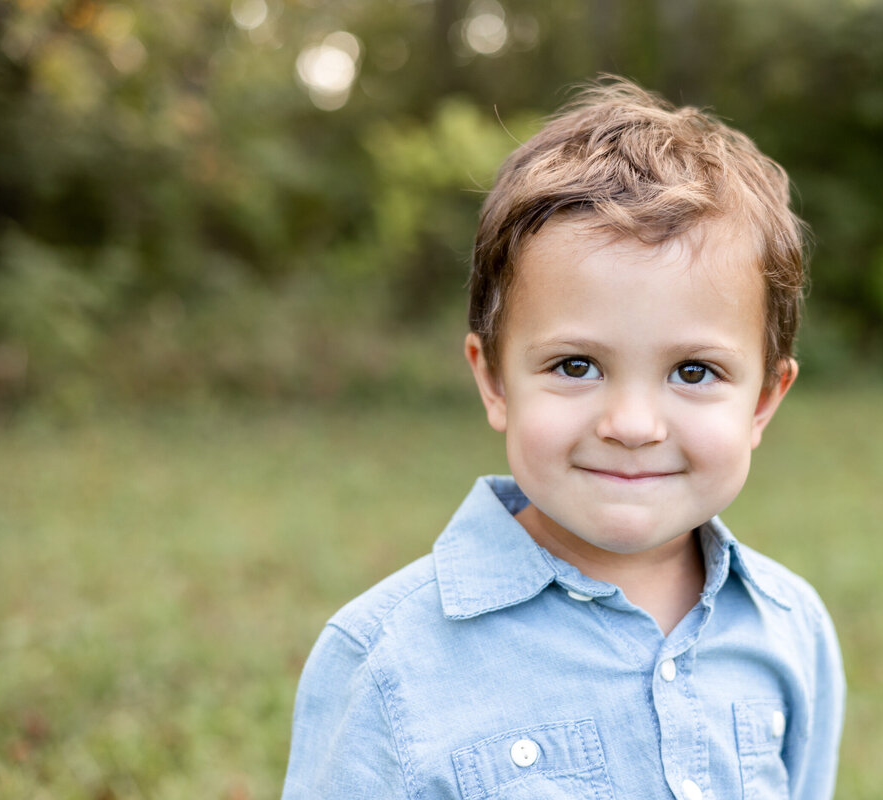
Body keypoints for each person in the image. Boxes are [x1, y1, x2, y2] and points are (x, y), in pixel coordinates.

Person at [282, 78, 844, 800]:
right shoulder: (385, 660)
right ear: (495, 383)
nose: (634, 426)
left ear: (765, 400)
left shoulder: (790, 631)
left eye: (694, 371)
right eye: (576, 366)